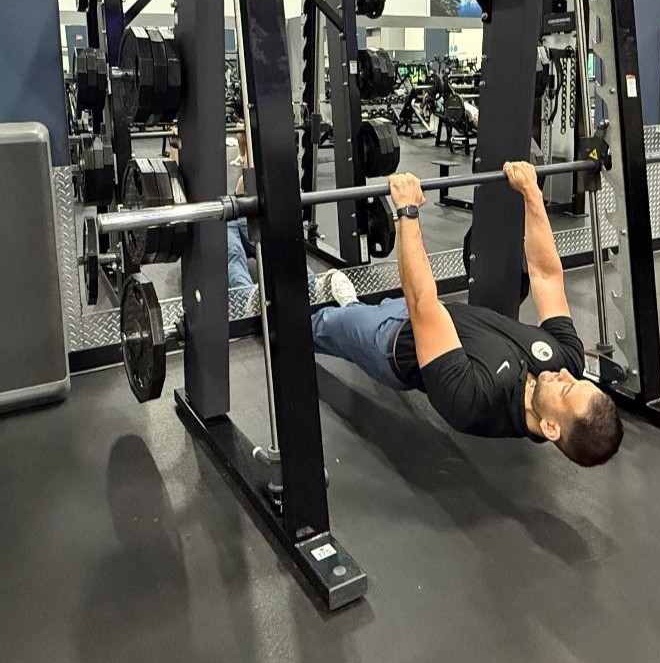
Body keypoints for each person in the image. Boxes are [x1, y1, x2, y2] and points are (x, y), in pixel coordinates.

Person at [226, 162, 622, 467]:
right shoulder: (565, 362)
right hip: (423, 316)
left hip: (391, 340)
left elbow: (422, 303)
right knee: (336, 305)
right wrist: (533, 196)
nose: (567, 373)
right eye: (579, 379)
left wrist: (408, 214)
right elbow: (547, 277)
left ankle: (229, 249)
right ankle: (294, 261)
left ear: (551, 427)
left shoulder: (475, 402)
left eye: (568, 388)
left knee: (296, 321)